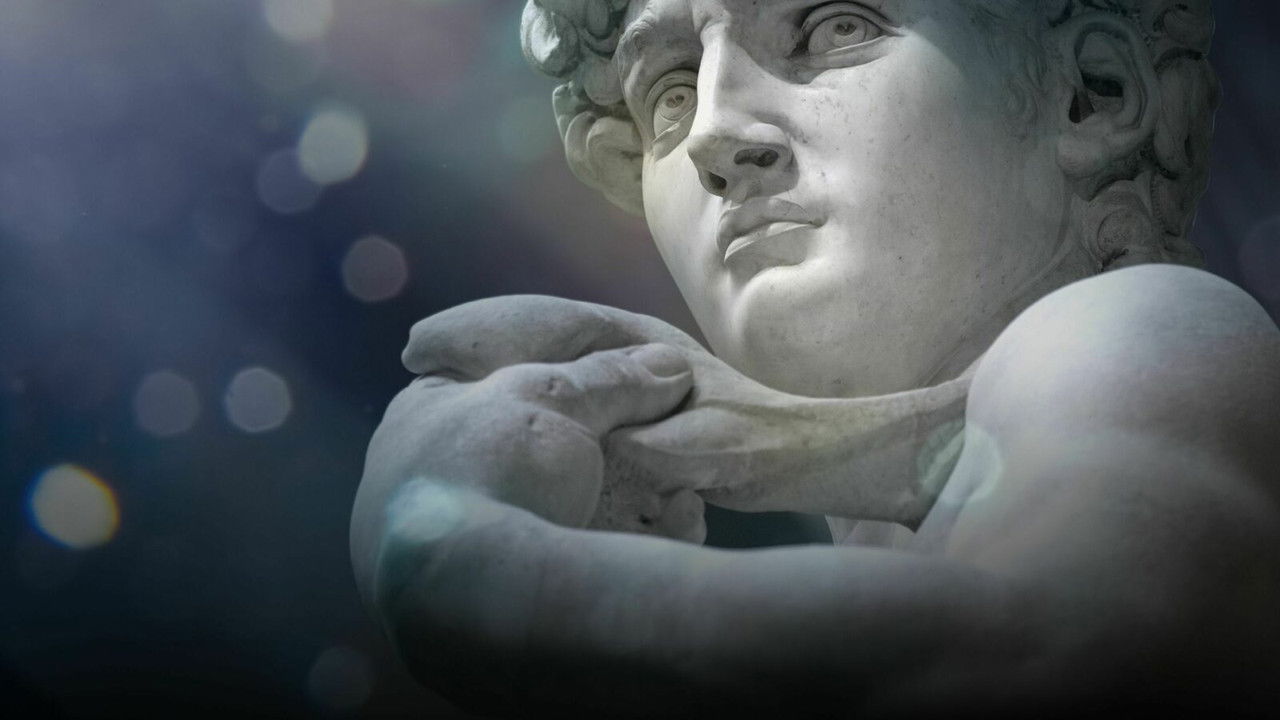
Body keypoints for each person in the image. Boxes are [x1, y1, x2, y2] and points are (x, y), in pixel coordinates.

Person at [350, 0, 1280, 715]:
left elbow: (1076, 662)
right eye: (670, 94)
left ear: (1091, 94)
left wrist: (478, 568)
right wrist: (725, 438)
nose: (712, 134)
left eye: (835, 27)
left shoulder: (1144, 320)